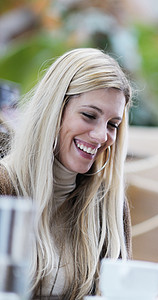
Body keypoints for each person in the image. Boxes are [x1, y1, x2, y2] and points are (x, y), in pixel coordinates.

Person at [0, 48, 133, 299]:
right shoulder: (3, 188)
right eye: (89, 115)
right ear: (54, 110)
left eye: (112, 125)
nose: (101, 136)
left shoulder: (108, 206)